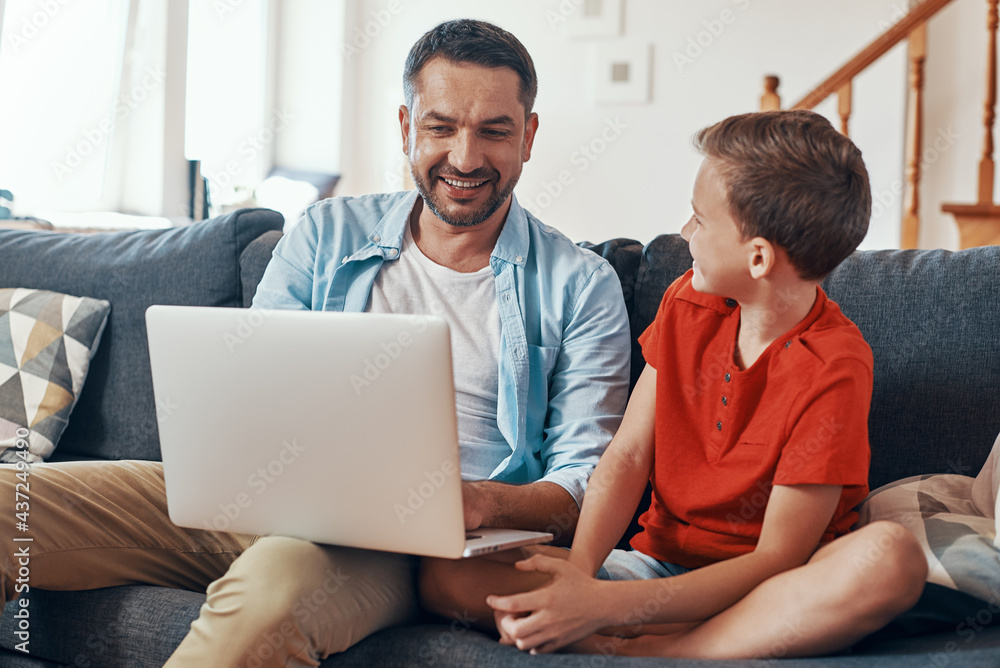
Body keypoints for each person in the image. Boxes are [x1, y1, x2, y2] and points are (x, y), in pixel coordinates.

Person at [0, 19, 631, 667]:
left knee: (268, 596)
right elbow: (253, 387)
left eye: (494, 131)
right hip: (260, 497)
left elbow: (584, 482)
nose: (465, 158)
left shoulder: (580, 286)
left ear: (528, 136)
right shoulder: (326, 234)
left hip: (403, 549)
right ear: (407, 128)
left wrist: (478, 500)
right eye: (441, 127)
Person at [419, 109, 928, 660]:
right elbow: (629, 453)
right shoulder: (687, 302)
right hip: (652, 571)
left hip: (767, 591)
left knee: (891, 559)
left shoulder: (835, 363)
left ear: (757, 257)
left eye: (699, 220)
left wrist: (603, 608)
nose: (684, 233)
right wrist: (583, 581)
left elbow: (777, 557)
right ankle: (630, 636)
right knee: (444, 575)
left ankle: (657, 650)